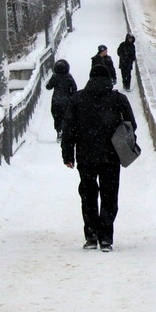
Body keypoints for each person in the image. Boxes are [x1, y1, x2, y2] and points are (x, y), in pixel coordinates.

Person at [60, 64, 137, 252]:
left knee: (88, 195)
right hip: (111, 156)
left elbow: (68, 128)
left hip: (86, 156)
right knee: (109, 196)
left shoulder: (78, 98)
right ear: (109, 78)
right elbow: (131, 126)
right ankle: (106, 238)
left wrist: (68, 155)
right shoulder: (118, 99)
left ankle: (91, 235)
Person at [46, 59, 77, 141]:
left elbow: (48, 87)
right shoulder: (69, 76)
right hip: (67, 100)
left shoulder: (55, 77)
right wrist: (72, 96)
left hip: (56, 100)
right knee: (66, 116)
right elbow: (74, 87)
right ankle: (66, 130)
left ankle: (59, 130)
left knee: (57, 116)